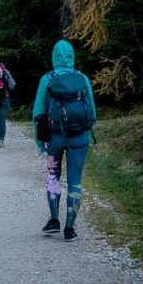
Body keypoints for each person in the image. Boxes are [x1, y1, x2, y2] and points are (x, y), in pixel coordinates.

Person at [32, 39, 96, 242]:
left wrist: (40, 141)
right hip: (79, 139)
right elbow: (92, 112)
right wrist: (84, 129)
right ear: (72, 57)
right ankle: (70, 227)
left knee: (53, 176)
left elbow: (38, 112)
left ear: (54, 57)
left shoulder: (47, 79)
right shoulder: (82, 78)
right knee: (75, 181)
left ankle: (53, 220)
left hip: (55, 138)